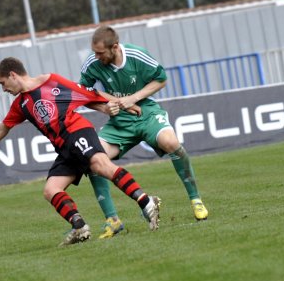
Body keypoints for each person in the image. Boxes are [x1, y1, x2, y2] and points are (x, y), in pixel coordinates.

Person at [0, 57, 162, 246]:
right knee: (51, 189)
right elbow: (3, 127)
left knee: (101, 166)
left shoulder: (51, 81)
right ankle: (79, 227)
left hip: (78, 131)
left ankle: (146, 202)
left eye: (3, 83)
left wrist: (121, 105)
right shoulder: (20, 104)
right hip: (64, 147)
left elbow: (89, 94)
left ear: (13, 74)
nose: (3, 89)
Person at [79, 25, 209, 239]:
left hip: (145, 112)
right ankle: (112, 221)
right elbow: (83, 93)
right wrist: (106, 105)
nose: (96, 56)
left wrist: (132, 98)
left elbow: (161, 79)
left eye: (100, 53)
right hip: (119, 120)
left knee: (171, 143)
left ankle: (195, 199)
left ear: (115, 47)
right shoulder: (92, 63)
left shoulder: (137, 55)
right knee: (92, 160)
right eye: (94, 52)